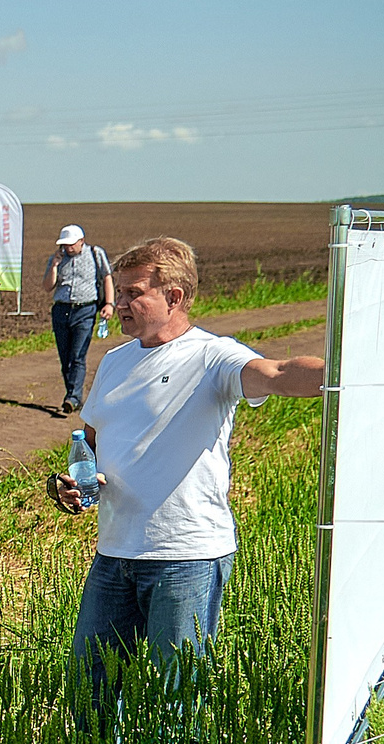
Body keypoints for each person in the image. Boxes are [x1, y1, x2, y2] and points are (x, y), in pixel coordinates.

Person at [53, 236, 322, 671]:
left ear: (174, 297)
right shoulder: (115, 362)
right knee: (91, 693)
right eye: (118, 292)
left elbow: (276, 374)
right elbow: (91, 442)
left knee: (174, 701)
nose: (118, 303)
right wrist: (71, 485)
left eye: (133, 293)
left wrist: (346, 373)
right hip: (114, 555)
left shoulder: (212, 357)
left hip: (185, 558)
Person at [46, 224, 115, 415]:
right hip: (61, 310)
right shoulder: (57, 259)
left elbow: (107, 277)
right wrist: (54, 266)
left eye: (71, 244)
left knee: (77, 355)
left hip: (85, 310)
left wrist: (109, 303)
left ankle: (73, 397)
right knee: (65, 356)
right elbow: (47, 286)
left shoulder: (95, 253)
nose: (68, 248)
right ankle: (72, 394)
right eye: (64, 245)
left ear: (81, 241)